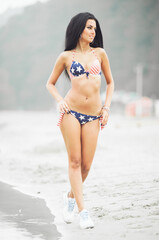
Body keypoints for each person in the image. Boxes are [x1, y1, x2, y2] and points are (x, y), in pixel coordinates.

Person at [46, 12, 114, 229]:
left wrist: (107, 108)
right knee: (74, 162)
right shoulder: (66, 57)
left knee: (85, 165)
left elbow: (111, 83)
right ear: (78, 29)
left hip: (94, 115)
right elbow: (50, 83)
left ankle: (70, 197)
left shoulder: (100, 54)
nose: (93, 32)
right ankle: (83, 212)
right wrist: (59, 101)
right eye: (89, 28)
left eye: (95, 28)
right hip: (71, 113)